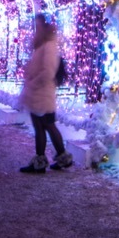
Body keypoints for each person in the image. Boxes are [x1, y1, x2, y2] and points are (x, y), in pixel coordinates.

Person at [19, 14, 73, 173]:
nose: (35, 30)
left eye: (38, 26)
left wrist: (33, 83)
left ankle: (49, 159)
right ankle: (51, 158)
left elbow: (48, 72)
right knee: (43, 126)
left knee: (47, 125)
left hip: (42, 94)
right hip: (38, 94)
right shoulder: (42, 45)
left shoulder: (49, 46)